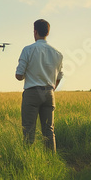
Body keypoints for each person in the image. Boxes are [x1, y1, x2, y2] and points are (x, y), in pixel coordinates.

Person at [15, 19, 63, 152]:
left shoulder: (28, 49)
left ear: (35, 32)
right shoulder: (57, 53)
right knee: (49, 131)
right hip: (49, 94)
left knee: (28, 131)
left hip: (32, 93)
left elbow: (19, 76)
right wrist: (51, 88)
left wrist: (29, 73)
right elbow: (59, 77)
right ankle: (51, 162)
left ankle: (29, 162)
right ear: (47, 32)